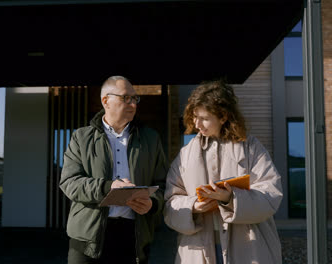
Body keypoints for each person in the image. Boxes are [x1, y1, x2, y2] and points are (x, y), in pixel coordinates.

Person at [163, 79, 283, 264]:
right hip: (197, 249)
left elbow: (271, 193)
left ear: (223, 116)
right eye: (194, 117)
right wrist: (193, 206)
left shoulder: (252, 148)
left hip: (249, 247)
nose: (197, 124)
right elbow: (170, 202)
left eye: (204, 118)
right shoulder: (185, 155)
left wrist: (230, 199)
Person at [59, 76, 168, 264]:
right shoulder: (81, 137)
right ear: (105, 101)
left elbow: (163, 184)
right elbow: (69, 182)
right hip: (87, 239)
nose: (133, 104)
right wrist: (107, 188)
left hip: (133, 239)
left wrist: (153, 203)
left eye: (135, 99)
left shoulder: (151, 139)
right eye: (126, 98)